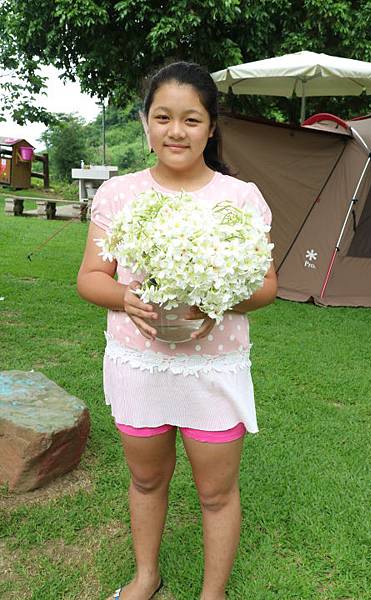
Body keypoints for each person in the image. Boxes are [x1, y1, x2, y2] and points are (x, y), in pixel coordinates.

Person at [77, 61, 277, 600]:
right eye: (163, 117)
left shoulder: (241, 198)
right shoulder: (119, 195)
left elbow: (266, 286)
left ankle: (213, 595)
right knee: (146, 480)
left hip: (213, 368)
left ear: (211, 128)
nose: (176, 131)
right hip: (140, 364)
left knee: (216, 493)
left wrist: (218, 301)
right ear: (146, 123)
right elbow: (90, 278)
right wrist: (125, 298)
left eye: (191, 119)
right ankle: (147, 576)